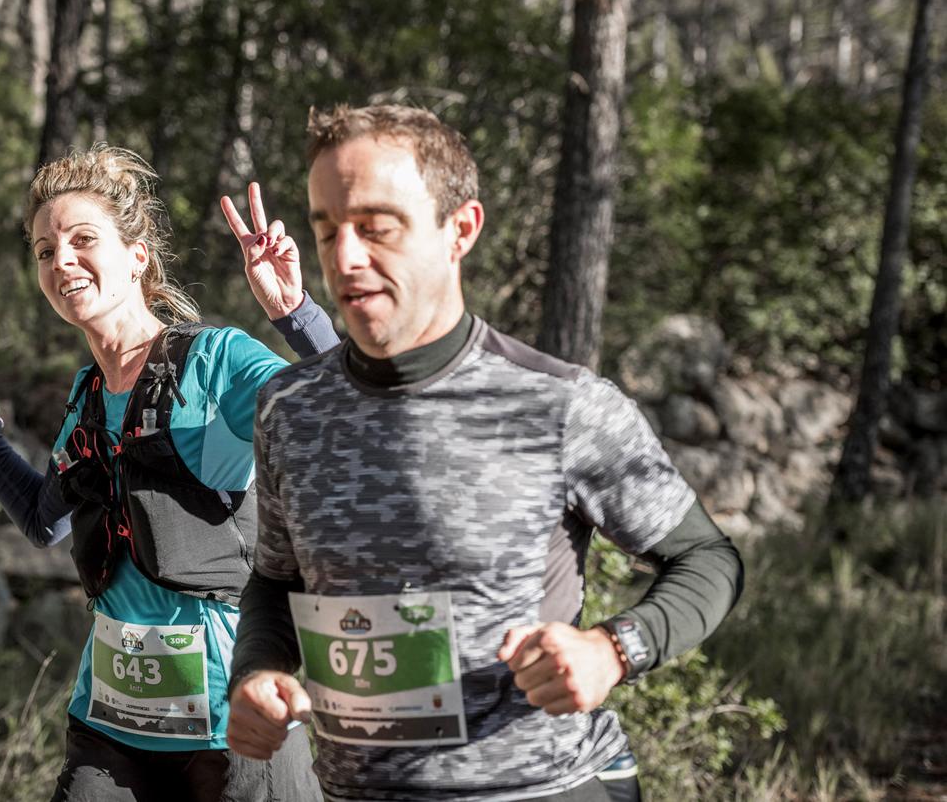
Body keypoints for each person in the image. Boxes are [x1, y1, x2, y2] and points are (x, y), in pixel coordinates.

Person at [225, 105, 744, 802]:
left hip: (539, 788)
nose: (345, 258)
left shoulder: (558, 404)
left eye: (377, 228)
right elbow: (276, 583)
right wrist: (256, 673)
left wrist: (612, 650)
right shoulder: (289, 408)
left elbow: (709, 559)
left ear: (459, 230)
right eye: (328, 230)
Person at [0, 145, 336, 802]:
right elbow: (44, 522)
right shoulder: (86, 395)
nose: (62, 261)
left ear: (138, 256)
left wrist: (294, 313)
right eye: (46, 251)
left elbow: (339, 403)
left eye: (82, 240)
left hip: (236, 725)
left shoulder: (216, 362)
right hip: (110, 728)